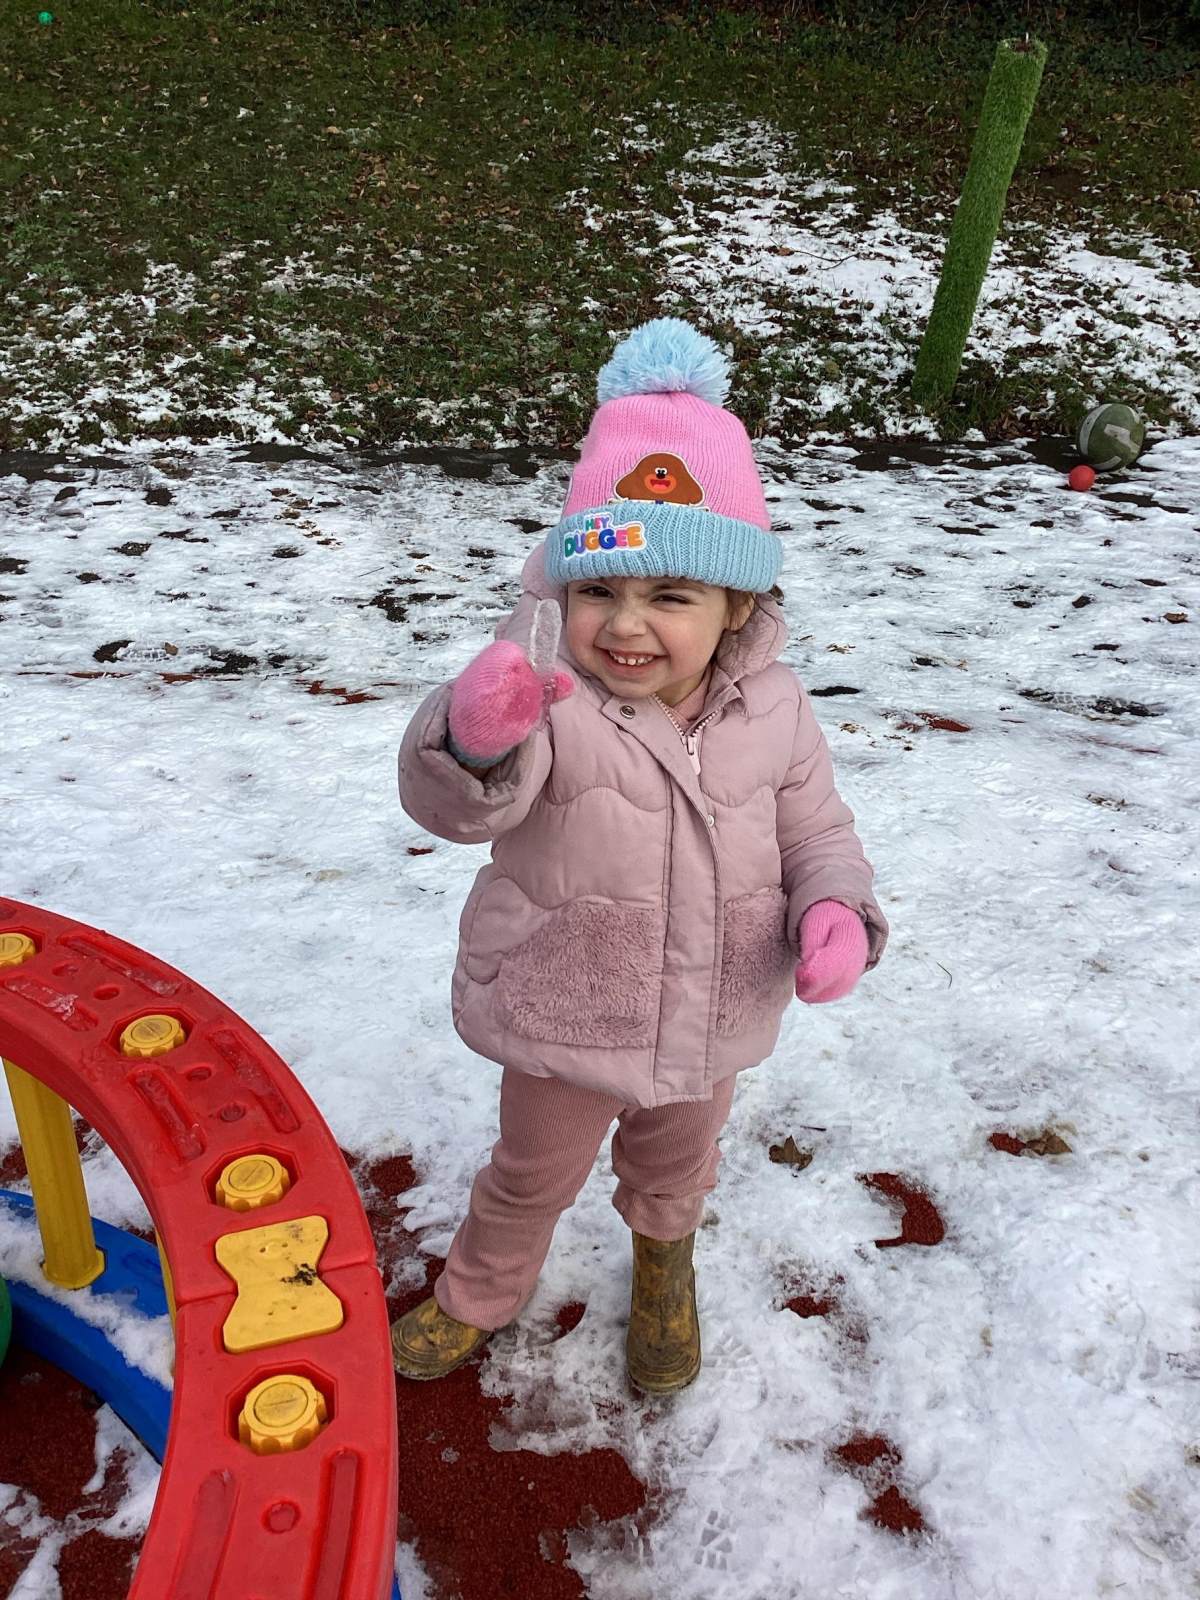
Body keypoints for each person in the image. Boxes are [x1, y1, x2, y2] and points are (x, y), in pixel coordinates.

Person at [393, 317, 888, 1394]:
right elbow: (462, 808)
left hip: (712, 1009)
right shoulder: (543, 694)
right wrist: (472, 739)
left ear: (736, 605)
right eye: (599, 592)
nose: (625, 626)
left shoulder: (777, 709)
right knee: (528, 1177)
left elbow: (816, 830)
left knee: (677, 1167)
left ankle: (666, 1267)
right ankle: (479, 1290)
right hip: (567, 1014)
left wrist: (834, 907)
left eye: (669, 597)